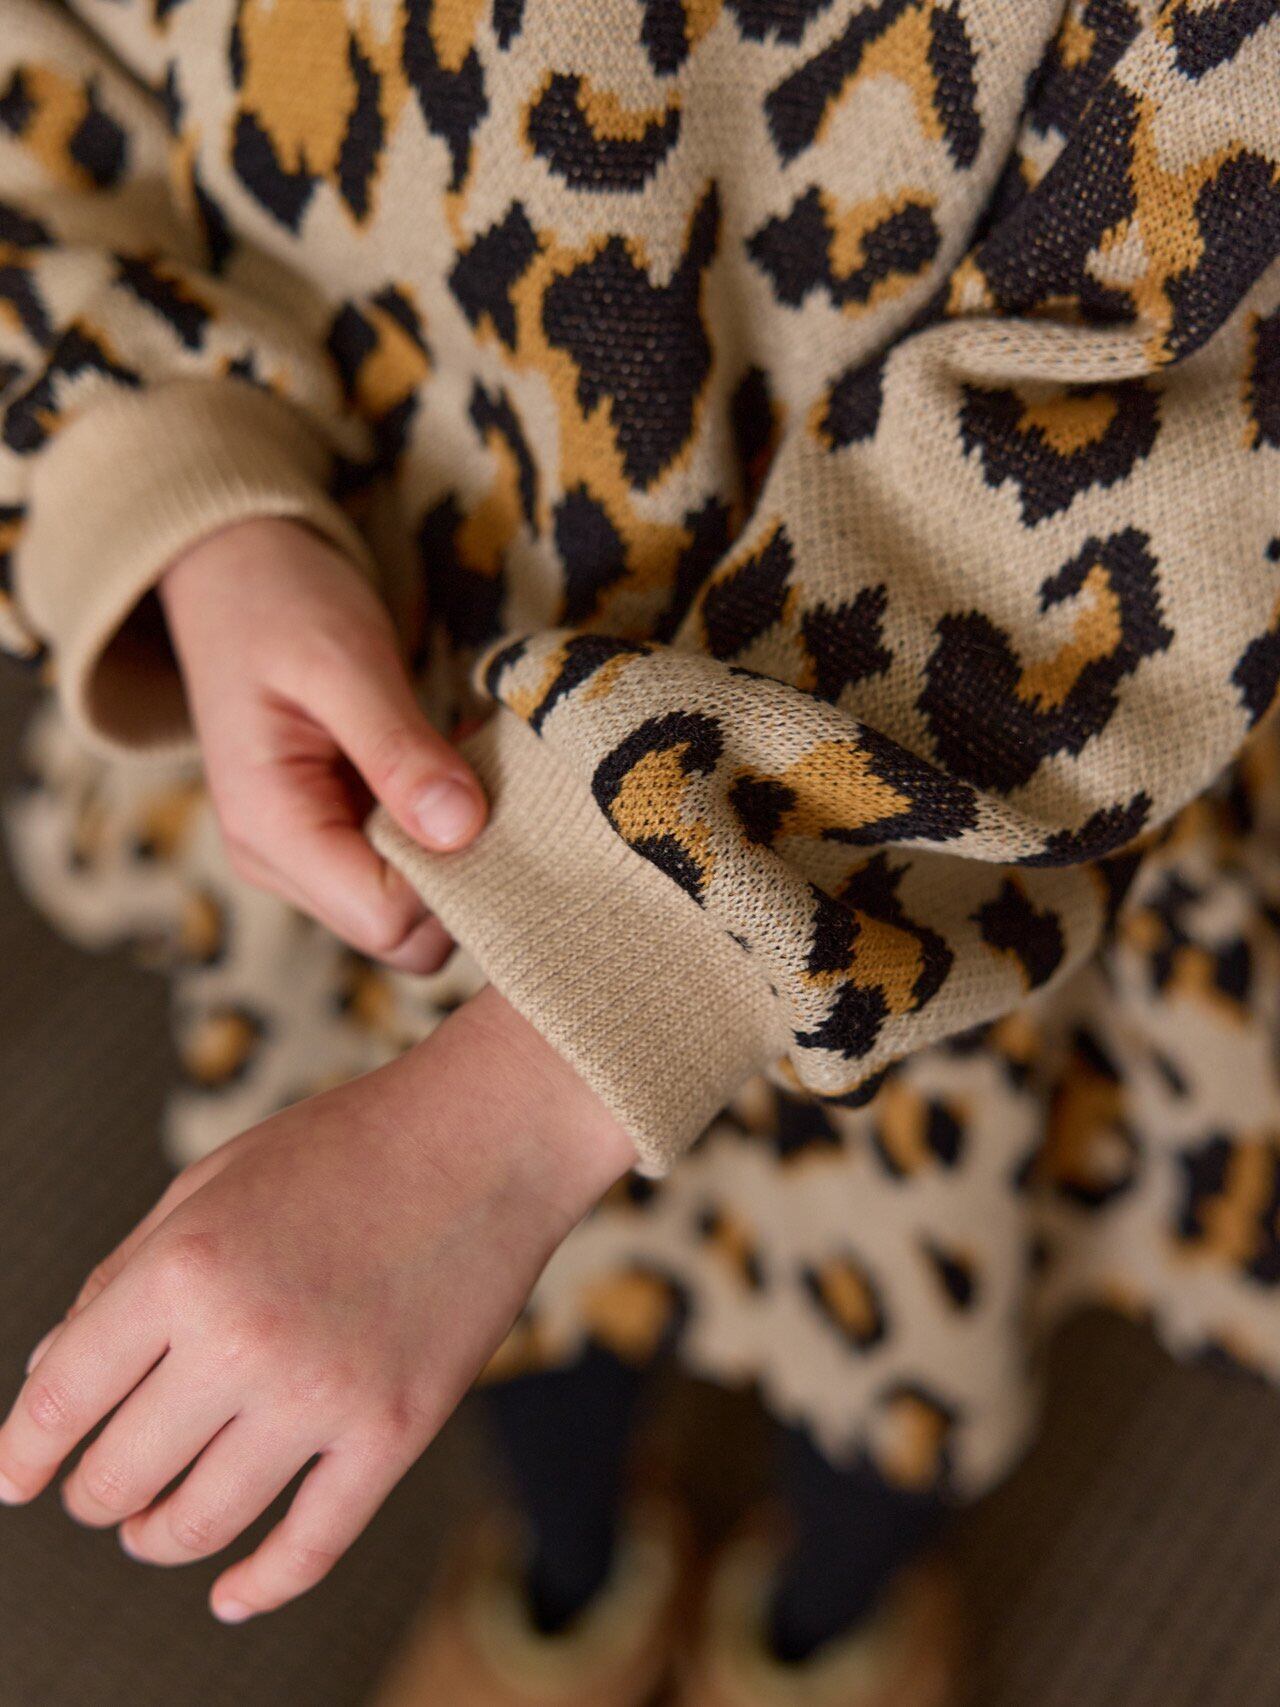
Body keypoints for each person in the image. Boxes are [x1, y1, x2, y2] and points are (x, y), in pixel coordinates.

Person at [0, 1, 1277, 1702]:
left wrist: (517, 1100)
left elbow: (1189, 363)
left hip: (931, 820)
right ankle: (571, 1573)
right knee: (469, 1308)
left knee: (883, 1304)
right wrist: (187, 485)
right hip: (382, 640)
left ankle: (828, 1622)